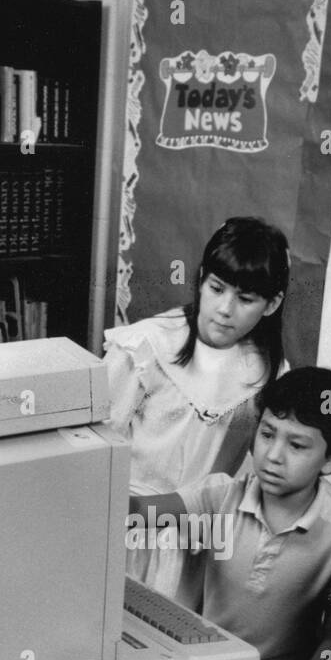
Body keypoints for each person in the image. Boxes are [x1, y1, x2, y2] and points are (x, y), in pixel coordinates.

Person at [129, 367, 331, 660]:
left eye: (296, 446)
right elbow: (136, 513)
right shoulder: (219, 497)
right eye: (267, 435)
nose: (273, 455)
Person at [104, 216, 290, 606]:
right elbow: (96, 446)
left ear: (271, 304)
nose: (225, 309)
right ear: (201, 279)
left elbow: (253, 471)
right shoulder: (145, 348)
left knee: (176, 640)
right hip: (125, 523)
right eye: (216, 288)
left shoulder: (267, 370)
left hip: (201, 534)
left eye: (246, 299)